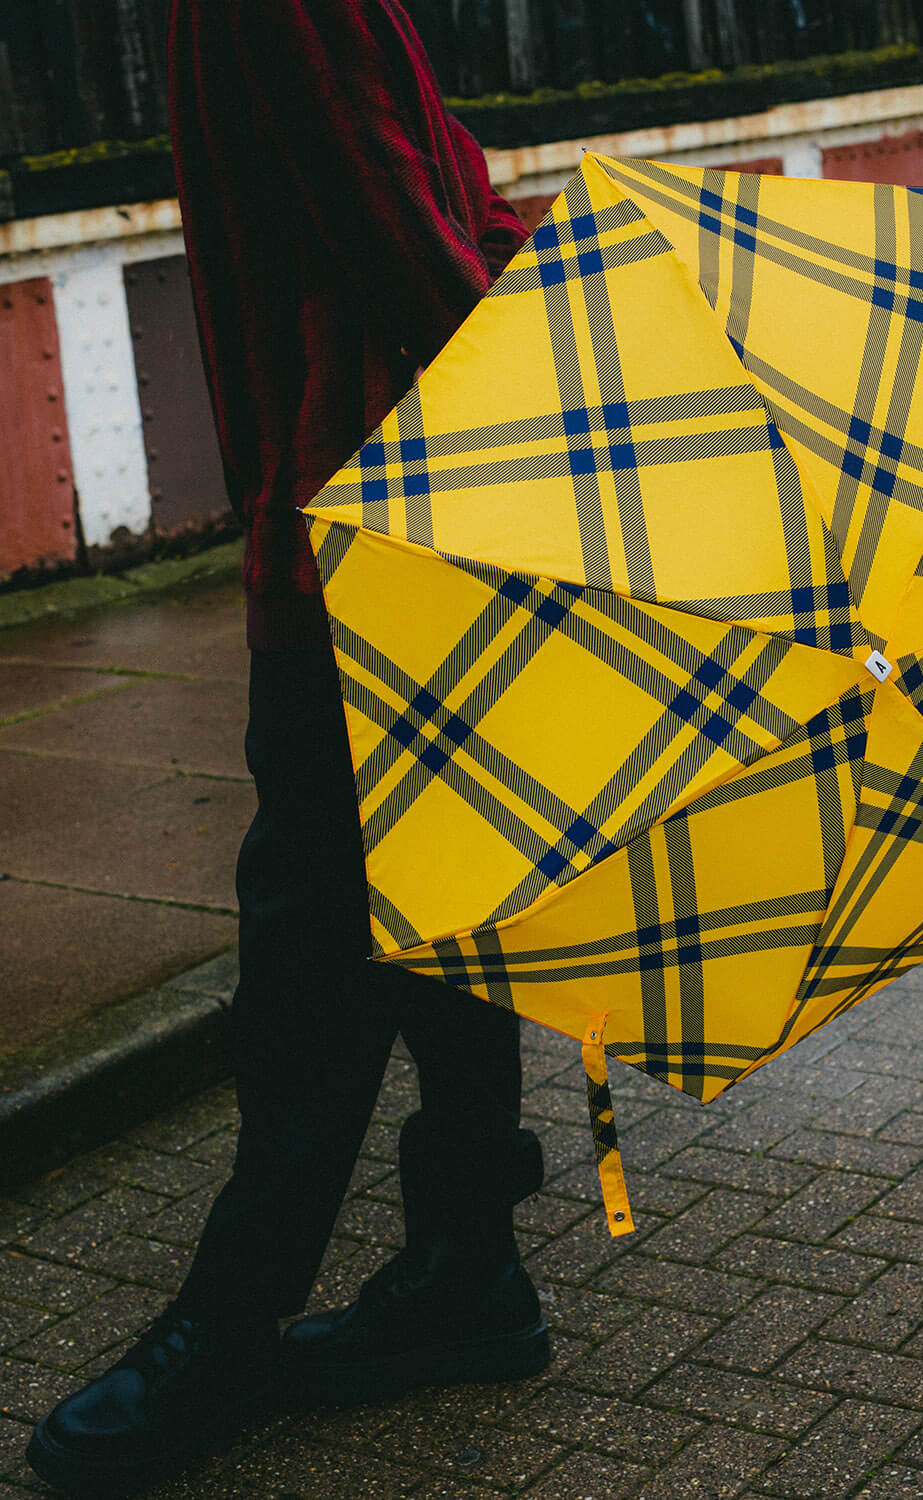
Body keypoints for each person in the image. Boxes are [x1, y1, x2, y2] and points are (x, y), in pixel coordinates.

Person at [26, 3, 545, 1495]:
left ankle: (239, 1323)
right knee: (431, 909)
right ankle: (464, 1269)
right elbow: (421, 219)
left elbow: (421, 212)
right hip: (383, 515)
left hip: (373, 530)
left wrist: (546, 333)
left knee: (322, 949)